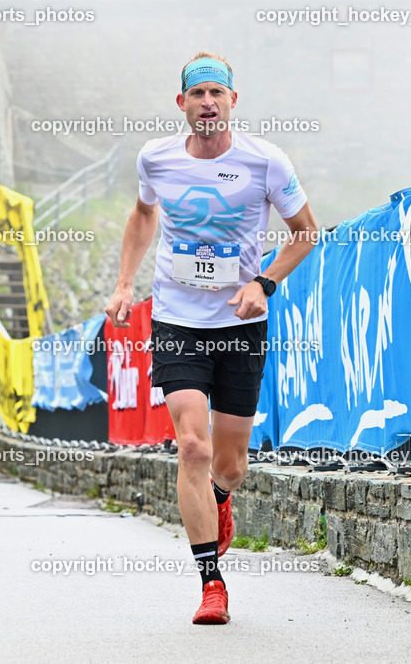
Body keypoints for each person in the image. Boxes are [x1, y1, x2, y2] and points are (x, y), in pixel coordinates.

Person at [104, 51, 318, 625]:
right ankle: (211, 584)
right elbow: (144, 216)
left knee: (230, 464)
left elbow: (305, 233)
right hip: (177, 322)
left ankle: (221, 500)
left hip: (241, 324)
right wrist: (125, 285)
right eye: (196, 95)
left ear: (232, 101)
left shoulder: (266, 162)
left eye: (215, 94)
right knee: (192, 448)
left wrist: (264, 283)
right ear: (182, 104)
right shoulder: (157, 158)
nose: (206, 104)